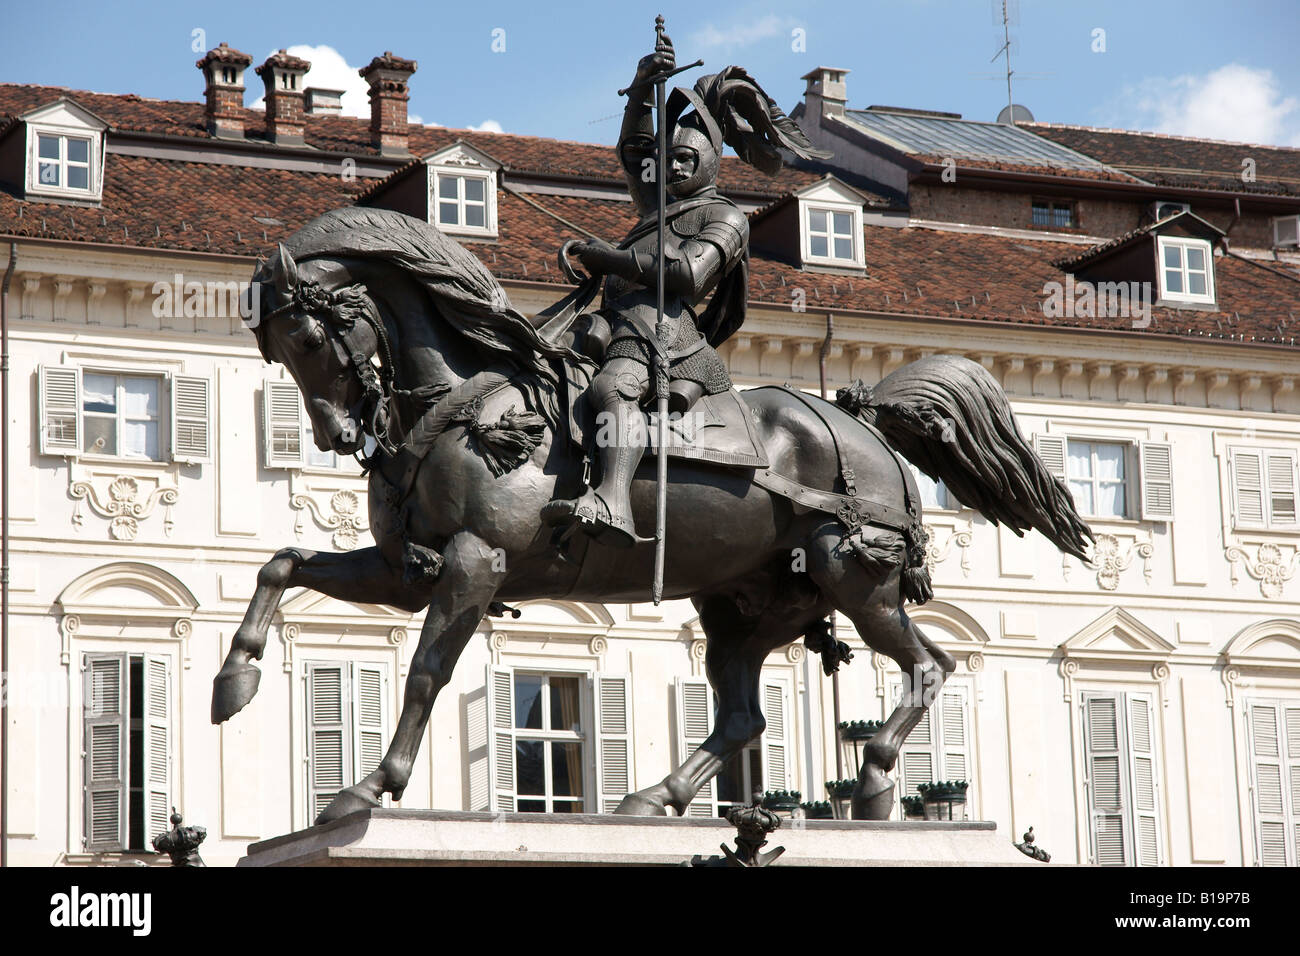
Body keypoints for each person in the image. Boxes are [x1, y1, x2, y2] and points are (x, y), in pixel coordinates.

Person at [541, 31, 829, 547]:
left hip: (665, 334)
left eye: (683, 162)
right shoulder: (657, 209)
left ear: (708, 163)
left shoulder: (726, 216)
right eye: (668, 161)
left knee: (612, 389)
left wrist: (605, 255)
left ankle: (613, 500)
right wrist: (639, 90)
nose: (670, 168)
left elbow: (687, 276)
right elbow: (634, 154)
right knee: (541, 356)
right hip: (616, 319)